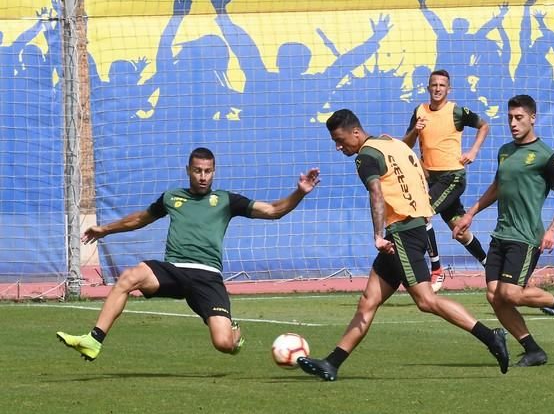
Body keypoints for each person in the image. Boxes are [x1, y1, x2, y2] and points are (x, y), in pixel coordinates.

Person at [297, 109, 509, 381]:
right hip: (413, 227)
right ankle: (332, 363)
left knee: (426, 300)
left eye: (340, 140)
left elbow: (376, 192)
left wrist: (378, 235)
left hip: (402, 232)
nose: (338, 147)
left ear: (355, 132)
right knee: (368, 301)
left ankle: (490, 336)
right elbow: (421, 173)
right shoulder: (393, 143)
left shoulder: (366, 156)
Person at [57, 147, 320, 361]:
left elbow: (274, 210)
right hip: (173, 270)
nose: (203, 176)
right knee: (128, 277)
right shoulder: (172, 197)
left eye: (207, 171)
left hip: (207, 278)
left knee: (223, 344)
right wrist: (105, 229)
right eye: (198, 171)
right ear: (188, 171)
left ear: (214, 172)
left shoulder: (227, 200)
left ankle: (234, 333)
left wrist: (299, 192)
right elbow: (140, 219)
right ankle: (94, 339)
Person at [454, 95, 554, 367]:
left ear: (532, 118)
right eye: (510, 117)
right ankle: (533, 349)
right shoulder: (505, 151)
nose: (513, 123)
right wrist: (470, 214)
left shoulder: (547, 157)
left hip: (525, 237)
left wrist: (552, 230)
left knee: (510, 293)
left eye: (519, 117)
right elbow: (498, 187)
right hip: (501, 235)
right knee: (494, 296)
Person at [402, 69, 489, 292]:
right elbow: (406, 144)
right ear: (428, 88)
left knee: (422, 214)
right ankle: (490, 265)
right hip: (431, 179)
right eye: (434, 85)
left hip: (453, 177)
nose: (438, 89)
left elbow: (484, 125)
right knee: (459, 230)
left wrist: (473, 151)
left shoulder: (456, 111)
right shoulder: (420, 111)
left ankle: (437, 270)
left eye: (442, 85)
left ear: (448, 89)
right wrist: (415, 130)